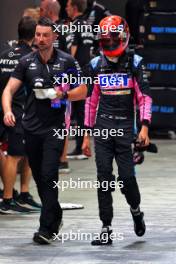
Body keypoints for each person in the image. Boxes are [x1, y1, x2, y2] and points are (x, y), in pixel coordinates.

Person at [2, 17, 87, 245]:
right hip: (31, 128)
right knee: (41, 179)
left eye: (45, 35)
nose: (40, 39)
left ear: (54, 37)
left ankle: (45, 227)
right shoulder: (26, 61)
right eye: (38, 35)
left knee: (49, 174)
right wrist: (8, 111)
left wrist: (64, 95)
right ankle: (55, 215)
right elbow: (8, 90)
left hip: (55, 129)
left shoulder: (67, 61)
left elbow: (84, 89)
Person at [82, 15, 152, 245]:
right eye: (106, 41)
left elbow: (144, 98)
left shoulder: (135, 62)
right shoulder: (94, 65)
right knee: (103, 179)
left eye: (114, 40)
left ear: (123, 37)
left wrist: (144, 128)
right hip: (102, 129)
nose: (110, 45)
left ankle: (136, 210)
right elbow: (91, 101)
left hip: (124, 128)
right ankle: (106, 228)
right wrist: (85, 134)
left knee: (126, 179)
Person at [0, 16, 41, 214]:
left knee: (25, 152)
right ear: (34, 35)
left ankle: (22, 195)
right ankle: (8, 200)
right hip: (18, 110)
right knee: (15, 155)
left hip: (3, 108)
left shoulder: (4, 54)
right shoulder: (30, 58)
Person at [66, 0, 94, 160]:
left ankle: (80, 148)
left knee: (78, 111)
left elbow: (72, 51)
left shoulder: (75, 25)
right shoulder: (88, 25)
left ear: (74, 8)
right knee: (83, 110)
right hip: (87, 71)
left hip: (77, 73)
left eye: (68, 6)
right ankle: (82, 146)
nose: (66, 9)